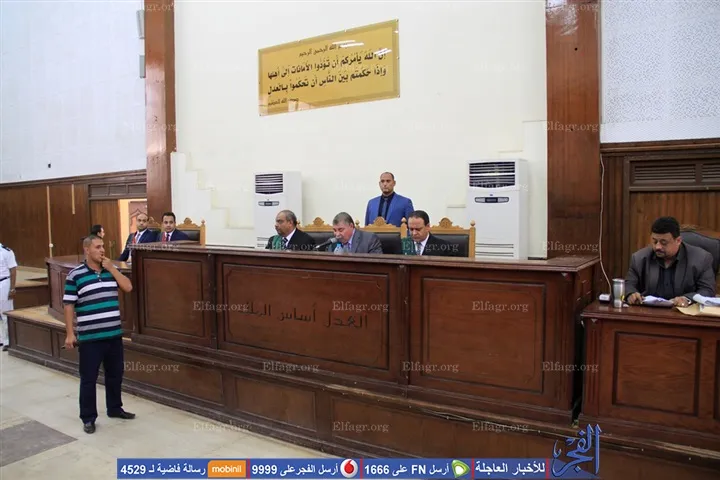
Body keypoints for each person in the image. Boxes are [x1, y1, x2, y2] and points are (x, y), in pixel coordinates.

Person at [63, 235, 135, 434]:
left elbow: (128, 287)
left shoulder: (110, 271)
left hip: (113, 334)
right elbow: (68, 305)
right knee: (89, 378)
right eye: (97, 247)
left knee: (115, 374)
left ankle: (115, 408)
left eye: (103, 246)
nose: (102, 250)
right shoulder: (75, 275)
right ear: (87, 250)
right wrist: (70, 333)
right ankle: (88, 418)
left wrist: (112, 268)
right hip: (90, 338)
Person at [625, 216, 716, 307]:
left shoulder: (701, 259)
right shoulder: (639, 258)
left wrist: (687, 299)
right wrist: (631, 294)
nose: (658, 247)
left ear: (678, 241)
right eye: (655, 241)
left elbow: (707, 291)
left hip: (683, 312)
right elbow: (628, 285)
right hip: (648, 312)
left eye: (663, 242)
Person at [0, 242, 18, 352]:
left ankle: (8, 341)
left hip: (3, 283)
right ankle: (1, 339)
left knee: (5, 312)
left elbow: (13, 270)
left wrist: (12, 288)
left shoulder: (6, 251)